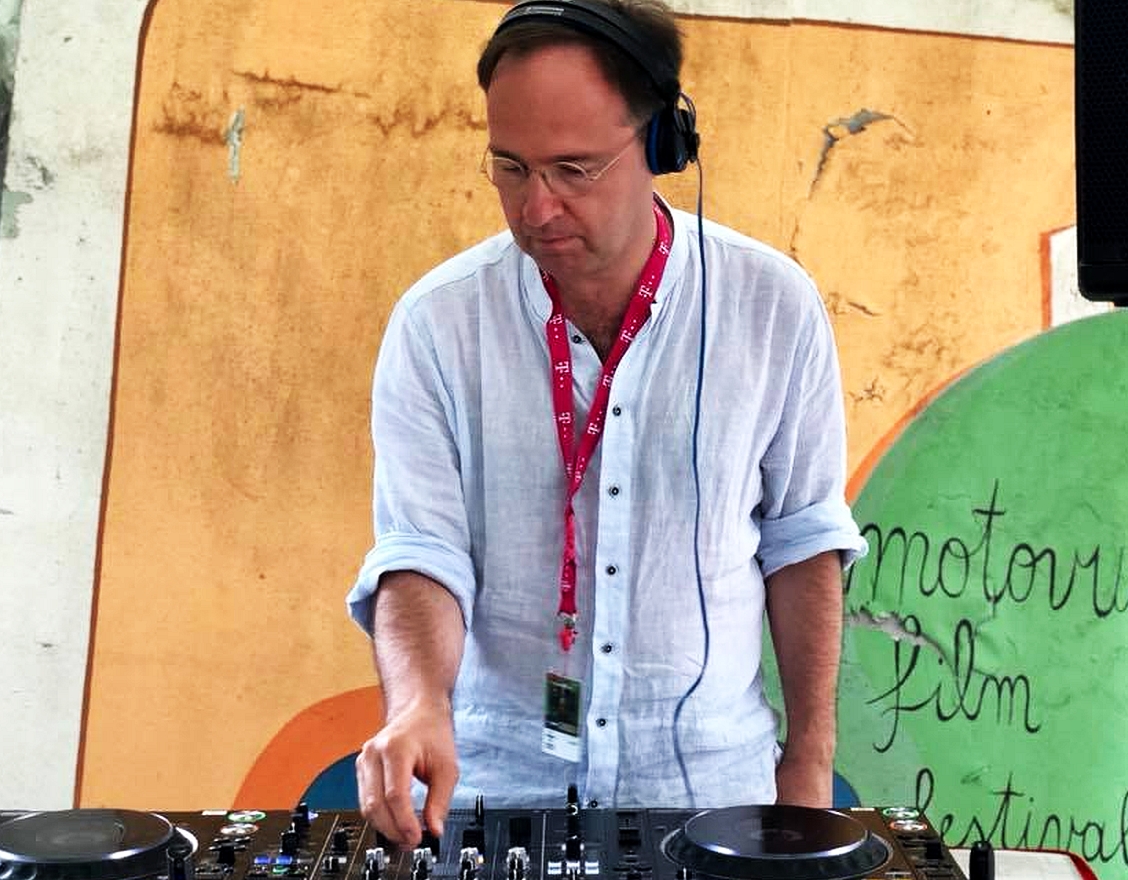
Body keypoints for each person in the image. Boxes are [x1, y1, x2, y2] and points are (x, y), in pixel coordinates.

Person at [346, 0, 867, 849]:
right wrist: (416, 703)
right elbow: (421, 550)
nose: (536, 208)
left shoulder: (771, 306)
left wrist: (807, 767)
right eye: (510, 167)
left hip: (713, 793)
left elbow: (801, 541)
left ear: (662, 143)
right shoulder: (437, 324)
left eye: (574, 170)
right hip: (493, 794)